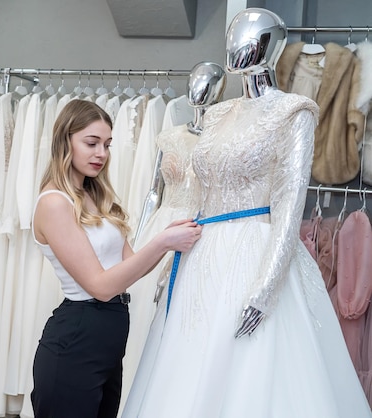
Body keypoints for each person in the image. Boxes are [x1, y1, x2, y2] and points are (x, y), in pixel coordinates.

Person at [122, 8, 372, 417]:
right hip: (201, 255)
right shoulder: (218, 113)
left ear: (271, 48)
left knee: (251, 372)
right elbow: (198, 193)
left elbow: (290, 205)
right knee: (185, 370)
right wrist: (172, 265)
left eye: (250, 39)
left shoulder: (294, 111)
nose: (236, 47)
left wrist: (266, 289)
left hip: (256, 248)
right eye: (234, 37)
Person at [29, 99, 202, 418]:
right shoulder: (55, 203)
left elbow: (129, 268)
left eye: (106, 145)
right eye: (91, 143)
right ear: (65, 141)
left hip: (107, 337)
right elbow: (100, 286)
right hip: (78, 335)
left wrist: (168, 240)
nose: (101, 154)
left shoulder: (93, 197)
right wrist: (163, 241)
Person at [121, 61, 226, 409]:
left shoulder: (225, 141)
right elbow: (153, 191)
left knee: (183, 316)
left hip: (199, 230)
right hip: (161, 224)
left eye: (210, 84)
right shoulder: (170, 136)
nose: (200, 90)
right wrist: (137, 239)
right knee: (141, 312)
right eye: (195, 82)